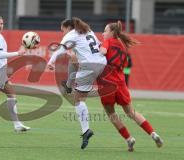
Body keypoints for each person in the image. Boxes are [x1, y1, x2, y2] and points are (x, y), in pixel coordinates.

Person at [97, 21, 163, 151]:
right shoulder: (123, 47)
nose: (103, 33)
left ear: (112, 33)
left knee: (111, 114)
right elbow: (124, 65)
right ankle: (153, 133)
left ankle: (129, 138)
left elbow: (103, 52)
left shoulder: (108, 42)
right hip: (121, 84)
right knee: (131, 112)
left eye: (105, 30)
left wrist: (97, 49)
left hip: (108, 84)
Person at [47, 17, 107, 149]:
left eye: (63, 30)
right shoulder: (88, 31)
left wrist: (51, 61)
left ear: (68, 28)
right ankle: (68, 86)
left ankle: (86, 131)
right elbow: (99, 46)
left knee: (78, 100)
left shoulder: (71, 34)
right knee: (73, 58)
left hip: (89, 66)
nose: (63, 33)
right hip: (102, 63)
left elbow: (61, 49)